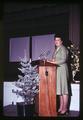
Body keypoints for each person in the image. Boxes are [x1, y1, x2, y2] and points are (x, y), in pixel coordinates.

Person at [47, 34, 69, 115]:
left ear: (61, 41)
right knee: (60, 90)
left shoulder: (63, 48)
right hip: (57, 70)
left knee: (64, 90)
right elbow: (55, 59)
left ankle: (65, 108)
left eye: (58, 40)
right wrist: (49, 60)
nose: (56, 41)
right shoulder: (57, 49)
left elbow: (63, 59)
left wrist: (52, 62)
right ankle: (61, 107)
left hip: (62, 69)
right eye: (55, 40)